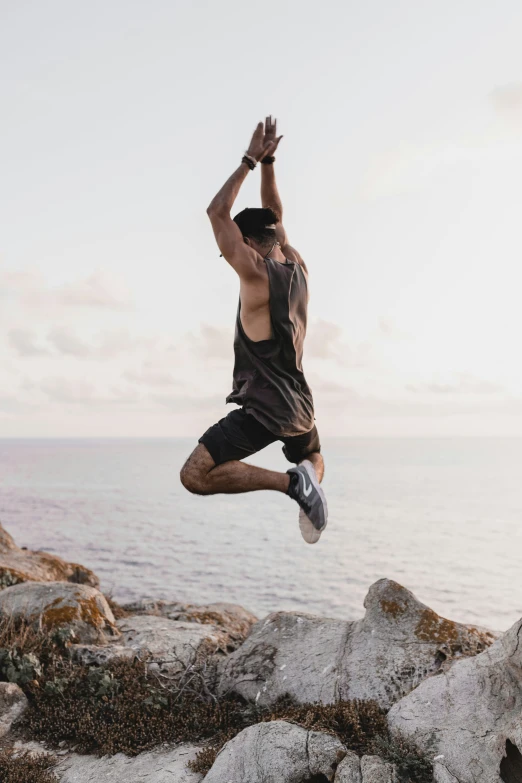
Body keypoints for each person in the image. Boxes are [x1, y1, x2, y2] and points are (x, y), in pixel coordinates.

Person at [180, 117, 328, 544]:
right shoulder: (296, 263)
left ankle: (292, 486)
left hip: (263, 408)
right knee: (313, 455)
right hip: (299, 403)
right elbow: (275, 214)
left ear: (245, 243)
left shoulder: (255, 274)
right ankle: (309, 482)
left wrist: (249, 159)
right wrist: (271, 162)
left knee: (195, 475)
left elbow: (216, 212)